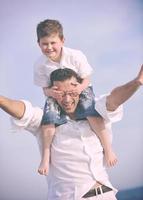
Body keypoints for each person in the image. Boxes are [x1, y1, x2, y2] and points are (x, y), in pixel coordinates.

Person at [0, 65, 143, 200]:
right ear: (52, 92)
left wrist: (137, 82)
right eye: (61, 94)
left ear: (80, 89)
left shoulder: (96, 113)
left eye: (71, 93)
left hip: (107, 195)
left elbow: (114, 100)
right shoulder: (45, 121)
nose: (67, 99)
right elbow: (23, 111)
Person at [34, 19, 117, 175]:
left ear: (62, 40)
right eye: (45, 44)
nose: (49, 47)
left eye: (53, 42)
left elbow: (87, 78)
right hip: (56, 94)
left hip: (80, 89)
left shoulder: (75, 55)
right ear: (38, 43)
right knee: (48, 120)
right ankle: (45, 157)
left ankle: (108, 149)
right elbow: (44, 89)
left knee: (91, 113)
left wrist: (79, 88)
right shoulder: (40, 65)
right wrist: (51, 93)